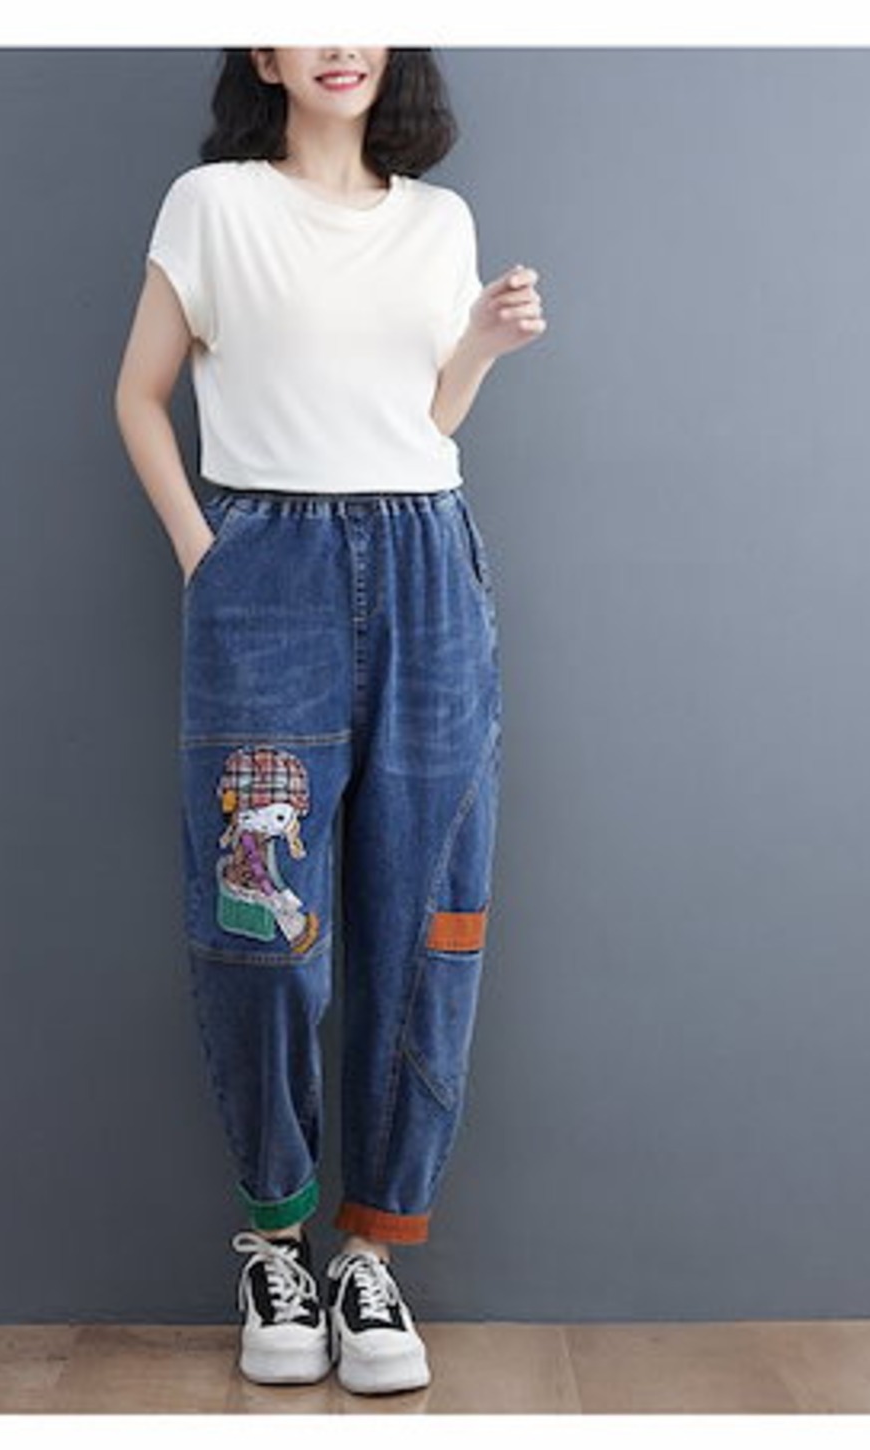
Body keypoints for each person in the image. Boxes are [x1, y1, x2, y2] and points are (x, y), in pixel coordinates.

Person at [113, 45, 545, 1396]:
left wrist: (479, 347)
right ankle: (278, 1235)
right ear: (264, 50)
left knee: (426, 916)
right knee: (265, 921)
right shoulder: (213, 206)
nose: (341, 40)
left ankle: (374, 1251)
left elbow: (427, 419)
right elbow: (137, 394)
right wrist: (210, 558)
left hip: (426, 563)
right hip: (270, 570)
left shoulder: (439, 220)